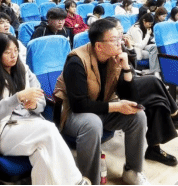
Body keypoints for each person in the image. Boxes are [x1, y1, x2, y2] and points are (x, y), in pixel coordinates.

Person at [0, 34, 87, 185]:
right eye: (7, 52)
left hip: (30, 124)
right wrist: (17, 98)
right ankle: (76, 181)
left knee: (42, 155)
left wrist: (34, 105)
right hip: (3, 131)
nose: (13, 55)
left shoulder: (24, 71)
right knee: (49, 129)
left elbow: (40, 99)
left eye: (16, 50)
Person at [54, 20, 150, 185]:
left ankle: (132, 171)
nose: (120, 43)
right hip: (72, 114)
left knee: (138, 116)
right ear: (99, 46)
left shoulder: (115, 58)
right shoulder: (76, 61)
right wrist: (117, 106)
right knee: (93, 123)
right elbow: (79, 105)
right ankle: (89, 180)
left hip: (101, 109)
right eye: (114, 40)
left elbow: (132, 99)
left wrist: (126, 68)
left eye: (119, 38)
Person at [106, 17, 178, 166]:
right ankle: (175, 115)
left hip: (130, 80)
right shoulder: (107, 47)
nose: (122, 33)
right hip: (119, 89)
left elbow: (132, 65)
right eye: (118, 30)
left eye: (121, 30)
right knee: (154, 81)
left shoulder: (119, 43)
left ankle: (154, 149)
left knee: (157, 103)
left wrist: (129, 49)